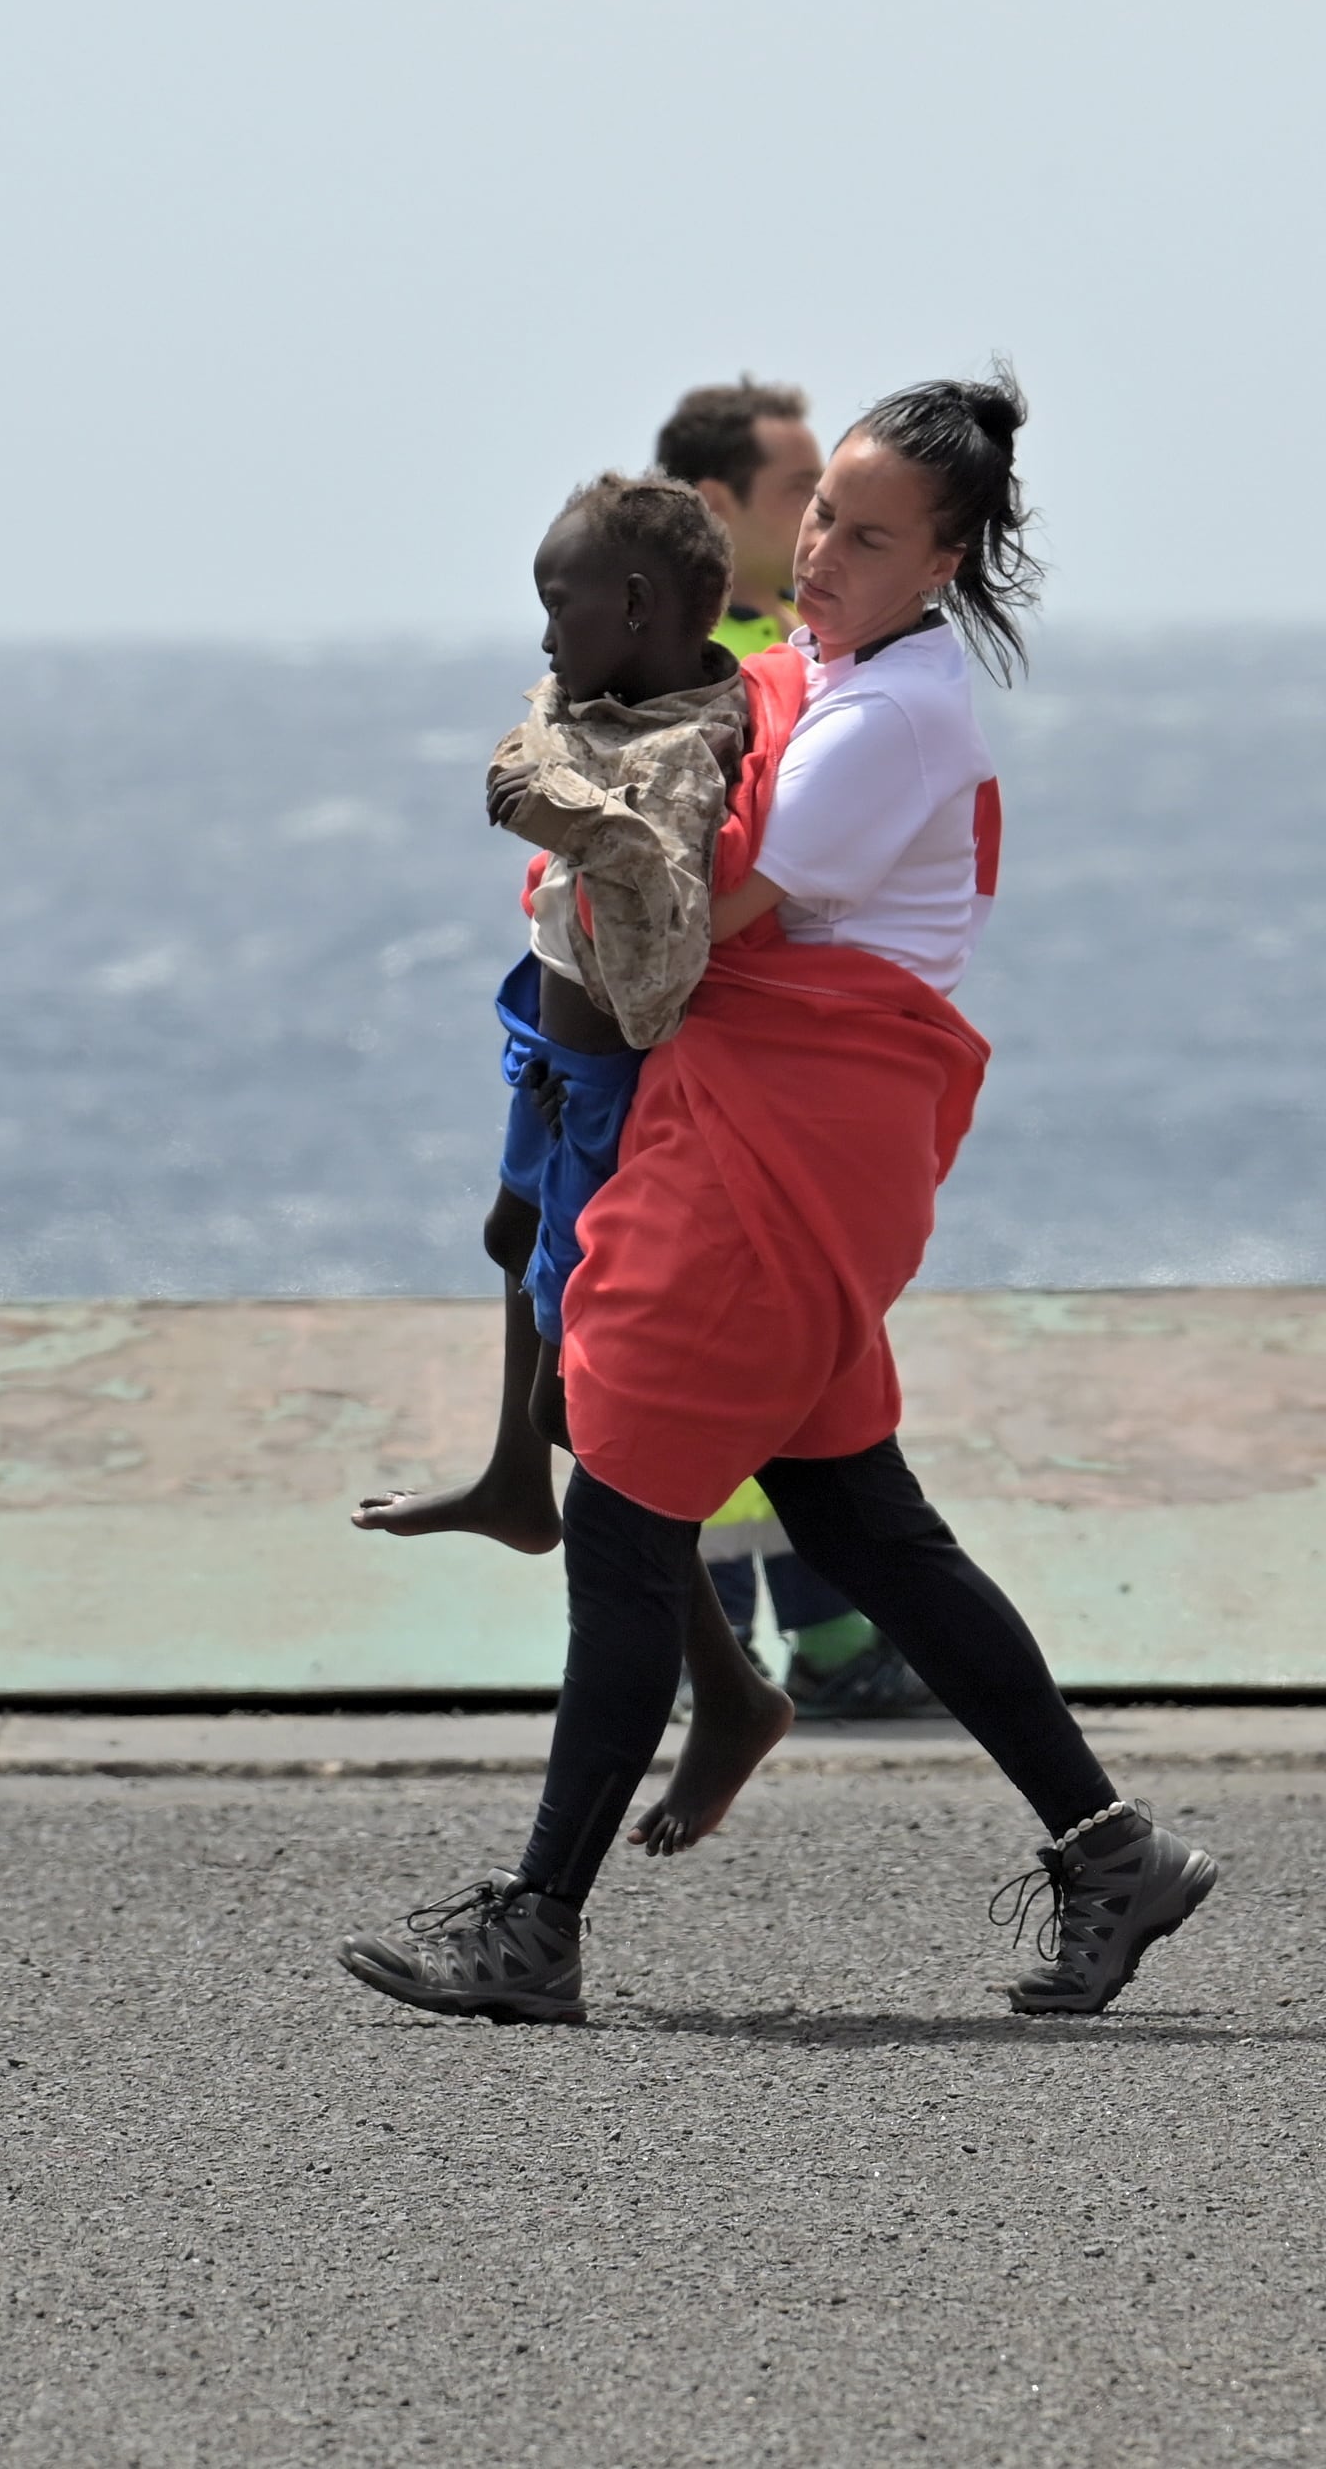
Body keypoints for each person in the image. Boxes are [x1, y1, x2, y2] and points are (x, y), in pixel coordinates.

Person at [338, 374, 1219, 2026]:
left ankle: (534, 1927)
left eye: (868, 536)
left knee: (618, 1518)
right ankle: (1114, 1854)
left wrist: (569, 828)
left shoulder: (895, 720)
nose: (819, 552)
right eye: (818, 516)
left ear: (944, 563)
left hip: (786, 1134)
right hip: (789, 1129)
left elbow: (690, 931)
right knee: (857, 1520)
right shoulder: (819, 670)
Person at [347, 475, 803, 1848]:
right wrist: (548, 750)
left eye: (564, 602)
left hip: (607, 1075)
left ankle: (724, 1694)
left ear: (643, 609)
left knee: (585, 1410)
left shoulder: (672, 756)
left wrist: (567, 813)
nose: (544, 632)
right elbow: (544, 724)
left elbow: (660, 964)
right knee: (508, 1245)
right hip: (544, 1046)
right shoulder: (605, 703)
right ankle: (506, 1477)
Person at [655, 376, 931, 1708]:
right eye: (797, 498)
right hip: (711, 1068)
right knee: (731, 1368)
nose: (821, 524)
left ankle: (804, 1649)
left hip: (772, 1060)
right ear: (717, 507)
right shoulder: (675, 653)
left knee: (771, 1362)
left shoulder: (781, 641)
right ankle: (802, 1654)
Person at [658, 377, 828, 657]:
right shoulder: (681, 657)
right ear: (713, 503)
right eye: (799, 489)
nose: (819, 509)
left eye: (820, 489)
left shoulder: (845, 624)